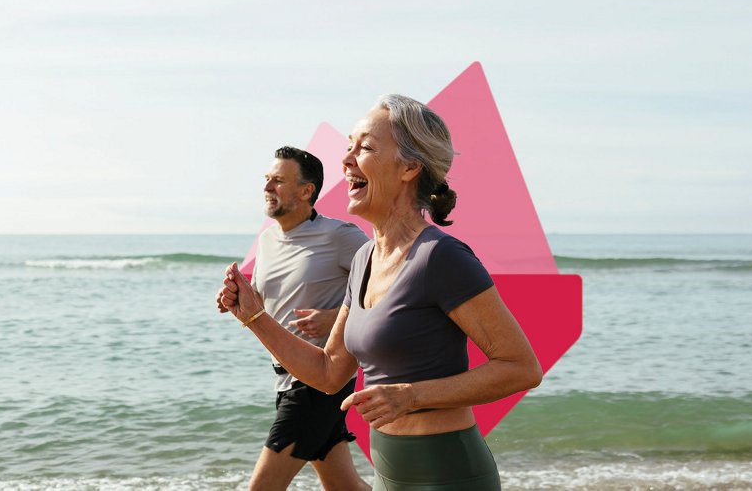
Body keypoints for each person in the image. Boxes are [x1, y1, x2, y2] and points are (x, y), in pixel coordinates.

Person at [220, 95, 542, 491]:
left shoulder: (440, 257)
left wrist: (411, 396)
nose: (347, 160)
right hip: (391, 471)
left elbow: (521, 367)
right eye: (348, 146)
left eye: (366, 147)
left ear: (409, 167)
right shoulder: (363, 261)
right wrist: (255, 317)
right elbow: (328, 372)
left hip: (448, 472)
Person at [215, 146, 371, 491]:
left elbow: (390, 287)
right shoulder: (268, 239)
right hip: (285, 380)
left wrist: (336, 318)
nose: (268, 187)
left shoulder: (340, 236)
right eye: (267, 180)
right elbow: (259, 302)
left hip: (320, 383)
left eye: (279, 181)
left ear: (306, 191)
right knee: (344, 486)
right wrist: (233, 297)